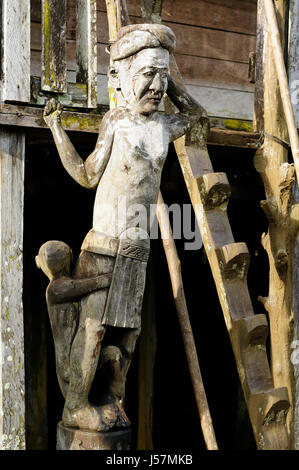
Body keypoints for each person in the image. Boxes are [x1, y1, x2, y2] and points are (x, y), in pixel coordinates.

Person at [43, 23, 208, 431]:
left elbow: (197, 114)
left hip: (138, 249)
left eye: (162, 76)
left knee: (128, 335)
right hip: (104, 246)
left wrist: (167, 79)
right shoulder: (116, 121)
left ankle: (112, 401)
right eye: (146, 75)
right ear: (120, 77)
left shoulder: (166, 127)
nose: (155, 85)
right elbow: (86, 175)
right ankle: (75, 406)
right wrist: (56, 129)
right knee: (94, 330)